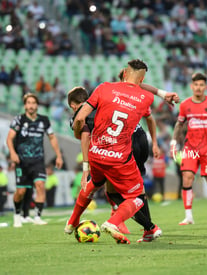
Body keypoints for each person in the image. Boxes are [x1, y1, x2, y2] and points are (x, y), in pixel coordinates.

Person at [65, 71, 179, 241]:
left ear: (74, 105)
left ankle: (143, 225)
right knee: (127, 190)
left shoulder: (98, 98)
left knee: (122, 192)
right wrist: (154, 142)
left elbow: (84, 135)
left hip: (119, 147)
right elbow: (150, 118)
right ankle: (145, 226)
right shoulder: (129, 95)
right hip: (139, 139)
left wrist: (85, 169)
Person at [171, 72, 207, 225]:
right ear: (191, 86)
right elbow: (179, 124)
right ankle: (188, 216)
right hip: (190, 149)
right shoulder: (185, 105)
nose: (199, 88)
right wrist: (173, 143)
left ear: (205, 87)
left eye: (201, 85)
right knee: (187, 178)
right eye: (196, 85)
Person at [7, 93, 63, 227]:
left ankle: (37, 216)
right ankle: (17, 215)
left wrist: (58, 155)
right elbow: (9, 138)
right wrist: (12, 153)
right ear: (25, 105)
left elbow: (52, 137)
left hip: (38, 160)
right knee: (21, 192)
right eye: (29, 103)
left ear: (37, 105)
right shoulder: (19, 120)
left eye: (33, 103)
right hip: (22, 161)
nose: (31, 105)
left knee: (40, 186)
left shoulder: (44, 120)